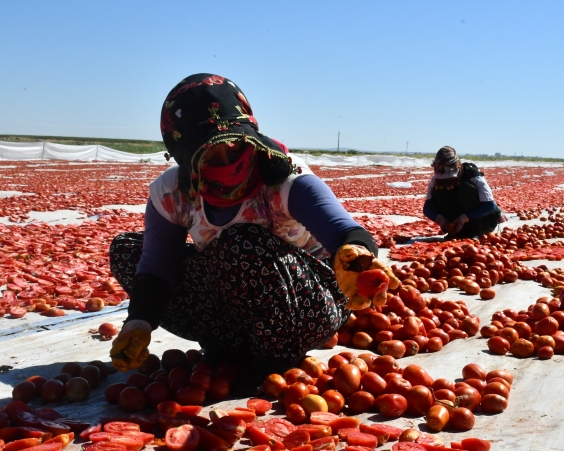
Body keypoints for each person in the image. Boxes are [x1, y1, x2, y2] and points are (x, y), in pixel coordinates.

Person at [108, 73, 398, 394]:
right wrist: (139, 322)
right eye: (209, 157)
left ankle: (274, 360)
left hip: (306, 308)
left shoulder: (286, 176)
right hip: (229, 313)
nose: (227, 164)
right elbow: (156, 269)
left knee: (242, 243)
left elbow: (342, 229)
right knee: (126, 250)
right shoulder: (173, 192)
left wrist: (355, 258)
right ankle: (230, 348)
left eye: (234, 149)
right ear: (186, 159)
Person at [422, 146, 502, 238]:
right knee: (437, 191)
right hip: (455, 219)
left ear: (458, 167)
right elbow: (427, 208)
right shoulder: (435, 180)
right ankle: (455, 230)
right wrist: (439, 219)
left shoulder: (472, 174)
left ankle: (474, 231)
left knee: (465, 188)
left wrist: (464, 218)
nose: (448, 185)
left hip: (482, 221)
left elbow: (489, 206)